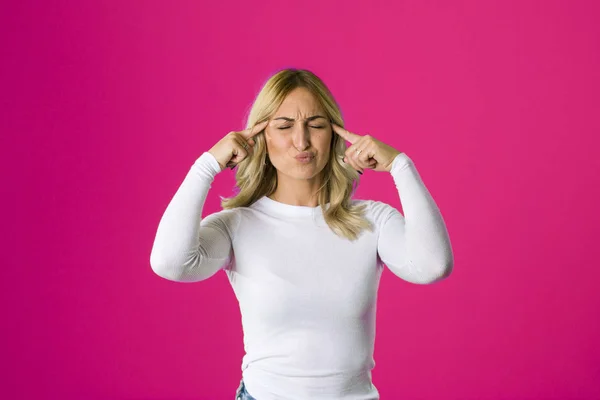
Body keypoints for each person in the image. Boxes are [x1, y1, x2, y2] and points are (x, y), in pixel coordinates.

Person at [150, 68, 454, 400]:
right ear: (260, 135)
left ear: (335, 133)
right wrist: (206, 166)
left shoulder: (371, 220)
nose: (302, 141)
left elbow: (433, 266)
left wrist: (400, 165)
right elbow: (171, 263)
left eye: (316, 125)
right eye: (283, 126)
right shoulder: (235, 225)